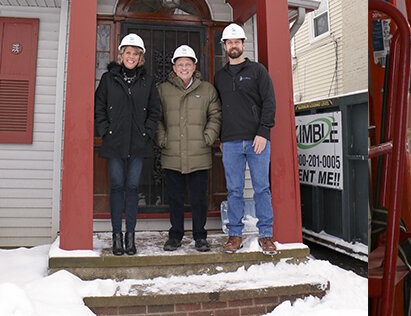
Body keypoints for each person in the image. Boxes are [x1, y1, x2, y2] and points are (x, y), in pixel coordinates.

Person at [214, 23, 277, 255]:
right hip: (230, 141)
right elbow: (217, 108)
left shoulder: (257, 71)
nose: (233, 45)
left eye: (237, 42)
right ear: (225, 46)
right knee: (234, 190)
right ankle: (235, 235)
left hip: (257, 140)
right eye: (229, 42)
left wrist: (263, 132)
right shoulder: (219, 77)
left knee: (261, 188)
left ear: (242, 44)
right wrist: (220, 136)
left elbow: (269, 102)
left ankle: (266, 234)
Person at [94, 33, 161, 256]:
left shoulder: (148, 81)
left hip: (138, 144)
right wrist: (105, 131)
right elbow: (99, 108)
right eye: (128, 52)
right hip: (114, 142)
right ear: (121, 54)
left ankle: (130, 236)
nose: (131, 57)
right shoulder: (108, 79)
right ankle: (116, 237)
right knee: (116, 188)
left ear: (141, 57)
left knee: (132, 189)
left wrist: (147, 133)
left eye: (136, 53)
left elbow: (154, 111)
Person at [156, 45, 221, 253]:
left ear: (194, 66)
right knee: (174, 198)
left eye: (188, 64)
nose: (184, 67)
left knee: (198, 198)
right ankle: (175, 236)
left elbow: (215, 115)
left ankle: (200, 236)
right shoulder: (162, 89)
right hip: (172, 152)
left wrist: (208, 137)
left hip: (199, 153)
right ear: (174, 68)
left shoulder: (207, 89)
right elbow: (156, 117)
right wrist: (162, 138)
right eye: (180, 64)